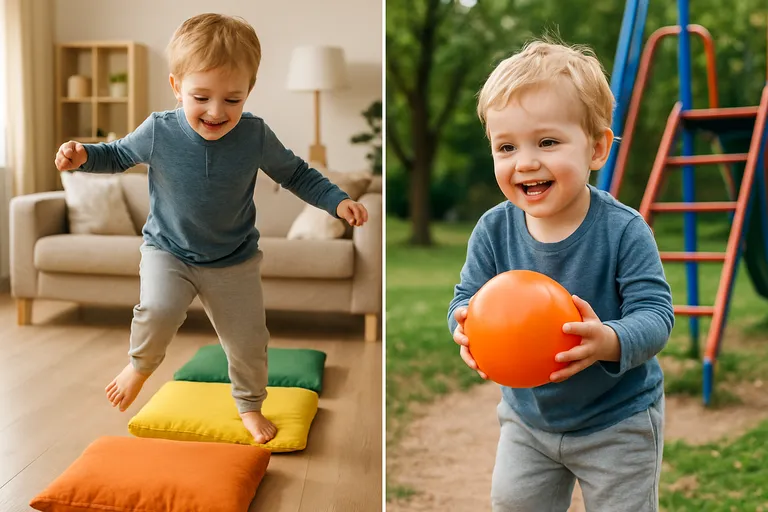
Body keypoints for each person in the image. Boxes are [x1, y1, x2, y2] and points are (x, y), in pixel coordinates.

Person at [54, 13, 369, 445]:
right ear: (176, 86)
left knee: (249, 341)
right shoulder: (158, 131)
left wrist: (338, 200)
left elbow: (297, 174)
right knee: (159, 310)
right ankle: (140, 365)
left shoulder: (255, 136)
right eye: (201, 97)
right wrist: (82, 156)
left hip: (233, 260)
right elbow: (115, 155)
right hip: (168, 250)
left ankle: (250, 405)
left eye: (233, 100)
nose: (217, 112)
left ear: (249, 92)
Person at [448, 39, 674, 511]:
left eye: (547, 142)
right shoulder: (493, 230)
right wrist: (465, 327)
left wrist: (607, 340)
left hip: (618, 420)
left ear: (596, 148)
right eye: (506, 146)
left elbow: (656, 314)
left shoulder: (624, 230)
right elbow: (466, 296)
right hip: (528, 421)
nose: (525, 161)